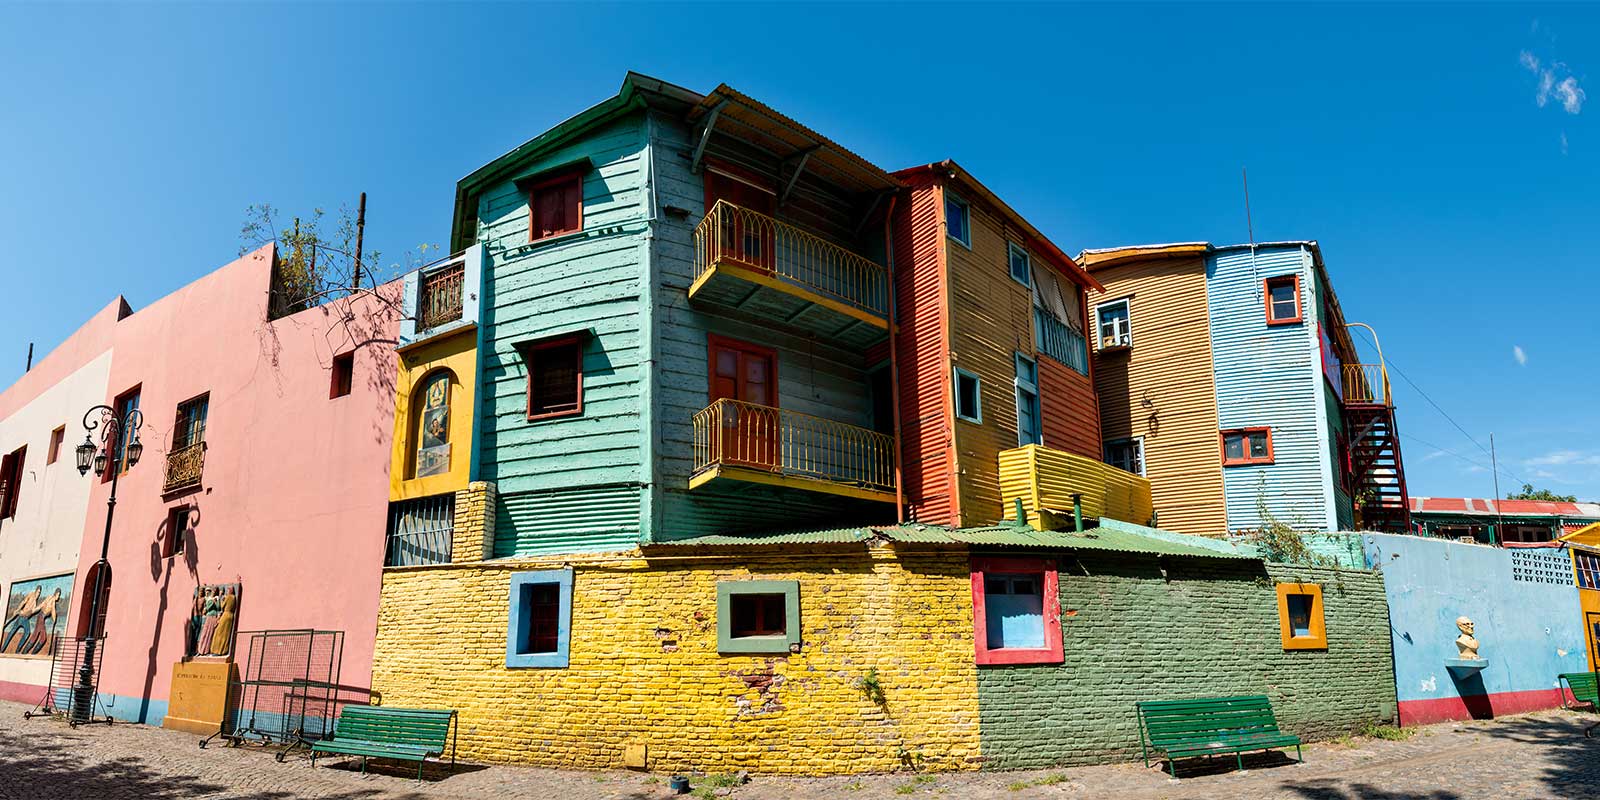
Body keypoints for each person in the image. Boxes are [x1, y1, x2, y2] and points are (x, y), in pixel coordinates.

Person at [0, 587, 43, 654]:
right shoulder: (31, 595)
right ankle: (2, 649)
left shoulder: (35, 602)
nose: (38, 594)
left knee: (27, 632)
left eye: (39, 593)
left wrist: (40, 606)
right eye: (38, 592)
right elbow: (23, 602)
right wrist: (18, 609)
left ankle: (17, 650)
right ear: (35, 591)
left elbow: (32, 611)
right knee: (11, 632)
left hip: (25, 619)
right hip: (21, 617)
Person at [20, 589, 62, 656]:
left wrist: (33, 611)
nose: (58, 597)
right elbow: (53, 610)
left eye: (59, 595)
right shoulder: (52, 600)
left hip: (40, 617)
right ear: (56, 593)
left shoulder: (49, 598)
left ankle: (27, 652)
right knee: (42, 638)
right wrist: (54, 619)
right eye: (58, 595)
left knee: (37, 636)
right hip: (41, 617)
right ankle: (28, 652)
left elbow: (41, 606)